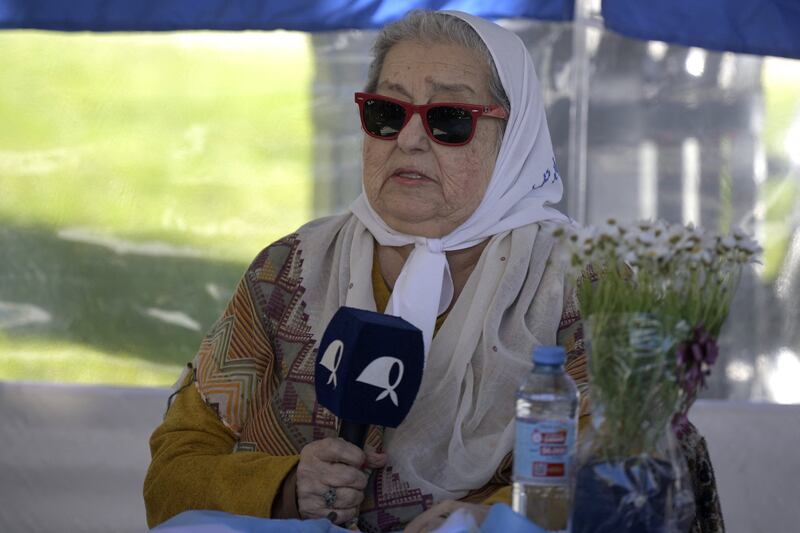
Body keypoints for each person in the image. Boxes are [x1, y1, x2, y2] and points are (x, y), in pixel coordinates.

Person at [144, 10, 723, 533]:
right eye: (387, 112)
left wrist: (485, 518)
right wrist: (283, 488)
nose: (411, 140)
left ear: (513, 138)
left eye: (449, 118)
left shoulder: (589, 291)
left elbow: (628, 483)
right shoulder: (289, 272)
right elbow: (173, 477)